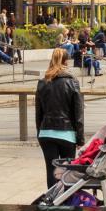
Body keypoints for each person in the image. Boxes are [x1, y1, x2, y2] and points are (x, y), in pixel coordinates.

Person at [35, 48, 86, 187]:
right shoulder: (72, 82)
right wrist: (80, 138)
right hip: (66, 134)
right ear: (66, 61)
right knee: (66, 173)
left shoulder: (43, 82)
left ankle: (51, 203)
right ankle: (65, 204)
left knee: (51, 171)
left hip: (46, 133)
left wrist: (40, 133)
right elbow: (78, 114)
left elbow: (38, 113)